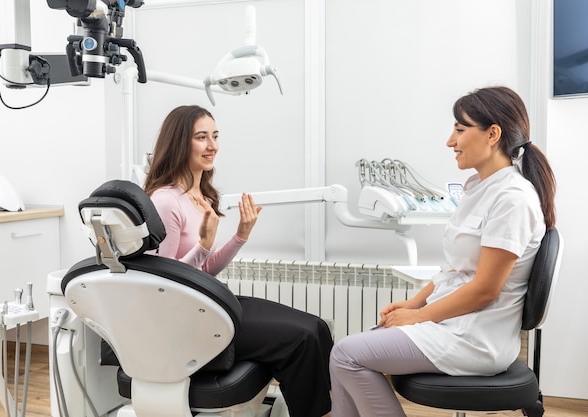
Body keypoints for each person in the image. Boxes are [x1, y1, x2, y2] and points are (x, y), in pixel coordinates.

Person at [329, 86, 557, 417]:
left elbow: (484, 290)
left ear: (493, 134)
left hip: (475, 337)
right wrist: (413, 302)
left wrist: (419, 316)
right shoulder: (479, 189)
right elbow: (454, 269)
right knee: (346, 356)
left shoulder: (512, 199)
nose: (450, 141)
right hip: (454, 325)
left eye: (460, 129)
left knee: (346, 354)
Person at [143, 105, 333, 417]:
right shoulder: (165, 201)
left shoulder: (199, 195)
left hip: (212, 302)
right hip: (190, 319)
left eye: (215, 136)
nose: (212, 145)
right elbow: (166, 285)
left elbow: (205, 271)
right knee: (301, 340)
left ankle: (326, 407)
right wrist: (203, 245)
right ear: (179, 142)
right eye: (201, 137)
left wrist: (240, 236)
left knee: (317, 328)